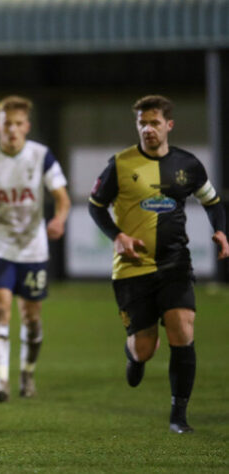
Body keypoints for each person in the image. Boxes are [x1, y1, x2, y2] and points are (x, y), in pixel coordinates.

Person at [88, 95, 228, 433]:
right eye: (142, 123)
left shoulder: (189, 165)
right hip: (133, 268)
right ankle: (134, 355)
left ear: (169, 125)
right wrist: (118, 236)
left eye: (154, 122)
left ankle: (178, 416)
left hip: (174, 262)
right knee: (146, 348)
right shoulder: (119, 165)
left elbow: (212, 202)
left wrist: (222, 231)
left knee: (183, 329)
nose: (148, 129)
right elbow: (96, 207)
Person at [0, 95, 71, 402]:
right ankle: (1, 382)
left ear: (27, 126)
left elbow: (62, 197)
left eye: (18, 124)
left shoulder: (41, 156)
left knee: (32, 318)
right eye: (7, 123)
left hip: (33, 249)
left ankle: (27, 372)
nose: (12, 129)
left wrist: (60, 219)